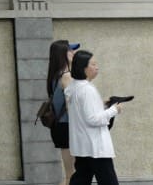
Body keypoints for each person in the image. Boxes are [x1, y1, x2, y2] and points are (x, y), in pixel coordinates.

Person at [65, 49, 127, 185]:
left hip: (82, 146)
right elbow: (93, 119)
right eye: (93, 64)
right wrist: (114, 110)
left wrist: (101, 105)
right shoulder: (87, 89)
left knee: (81, 179)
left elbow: (83, 112)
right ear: (84, 68)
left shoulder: (73, 86)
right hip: (95, 147)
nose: (97, 67)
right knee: (108, 181)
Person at [46, 39, 80, 185]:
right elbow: (71, 105)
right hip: (68, 127)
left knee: (69, 174)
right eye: (70, 50)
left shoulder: (55, 75)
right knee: (72, 175)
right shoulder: (67, 76)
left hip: (60, 127)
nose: (73, 52)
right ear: (62, 54)